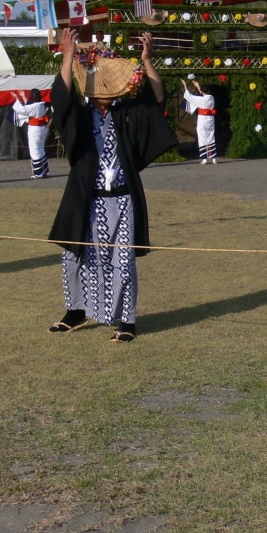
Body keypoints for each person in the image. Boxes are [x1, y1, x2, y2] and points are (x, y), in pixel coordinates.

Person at [47, 28, 174, 342]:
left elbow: (156, 100)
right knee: (75, 256)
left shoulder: (126, 114)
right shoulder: (80, 115)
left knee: (123, 260)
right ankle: (75, 311)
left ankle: (126, 321)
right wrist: (67, 57)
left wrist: (146, 61)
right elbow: (61, 101)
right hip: (86, 199)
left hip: (123, 198)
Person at [11, 88, 51, 178]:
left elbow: (23, 109)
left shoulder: (35, 106)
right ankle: (45, 171)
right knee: (40, 149)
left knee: (35, 150)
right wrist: (24, 96)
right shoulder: (41, 105)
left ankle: (38, 173)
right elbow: (29, 107)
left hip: (35, 129)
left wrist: (17, 98)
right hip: (41, 128)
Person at [182, 78, 218, 164]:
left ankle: (205, 158)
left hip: (203, 119)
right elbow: (204, 95)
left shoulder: (201, 100)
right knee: (211, 136)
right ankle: (214, 158)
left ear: (202, 91)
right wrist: (198, 86)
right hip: (210, 119)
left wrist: (185, 85)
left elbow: (188, 96)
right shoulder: (212, 98)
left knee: (202, 138)